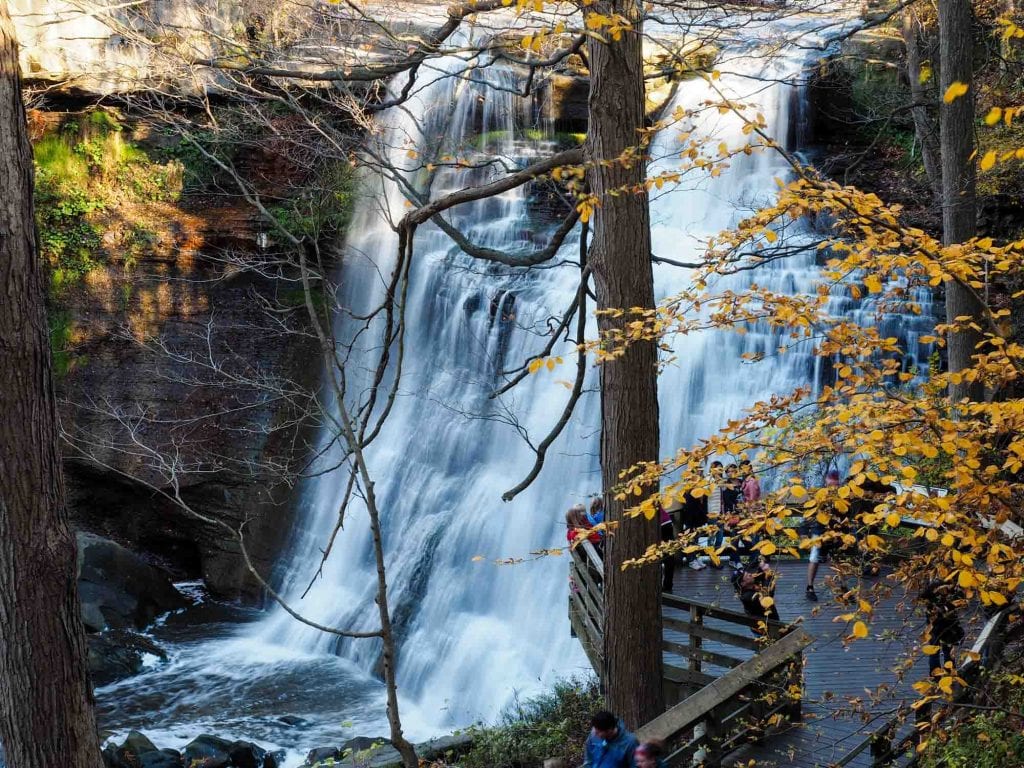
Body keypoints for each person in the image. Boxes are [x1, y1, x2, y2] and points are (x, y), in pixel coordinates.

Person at [806, 469, 842, 602]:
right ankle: (810, 587)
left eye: (836, 484)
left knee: (837, 559)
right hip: (819, 531)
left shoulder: (841, 496)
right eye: (832, 484)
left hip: (836, 532)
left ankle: (843, 588)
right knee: (814, 558)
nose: (834, 486)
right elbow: (811, 514)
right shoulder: (820, 495)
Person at [919, 579, 965, 676]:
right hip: (947, 627)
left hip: (936, 627)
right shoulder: (948, 594)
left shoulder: (930, 593)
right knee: (946, 651)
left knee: (935, 653)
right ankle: (949, 672)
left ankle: (935, 674)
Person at [732, 554, 780, 630]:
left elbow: (756, 572)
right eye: (747, 575)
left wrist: (761, 559)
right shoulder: (748, 597)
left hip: (769, 622)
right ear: (743, 583)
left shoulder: (749, 586)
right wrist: (768, 575)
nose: (750, 574)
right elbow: (767, 594)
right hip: (765, 628)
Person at [659, 503, 676, 593]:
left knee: (657, 556)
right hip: (668, 522)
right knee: (669, 557)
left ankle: (659, 585)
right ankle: (668, 585)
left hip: (660, 525)